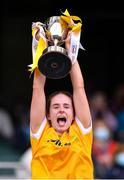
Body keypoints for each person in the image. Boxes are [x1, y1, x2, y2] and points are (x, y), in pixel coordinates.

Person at [29, 28, 94, 179]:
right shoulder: (40, 132)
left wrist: (71, 51)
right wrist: (42, 50)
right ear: (48, 115)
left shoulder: (81, 132)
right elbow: (37, 89)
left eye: (66, 106)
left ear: (73, 114)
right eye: (56, 107)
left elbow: (79, 87)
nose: (61, 111)